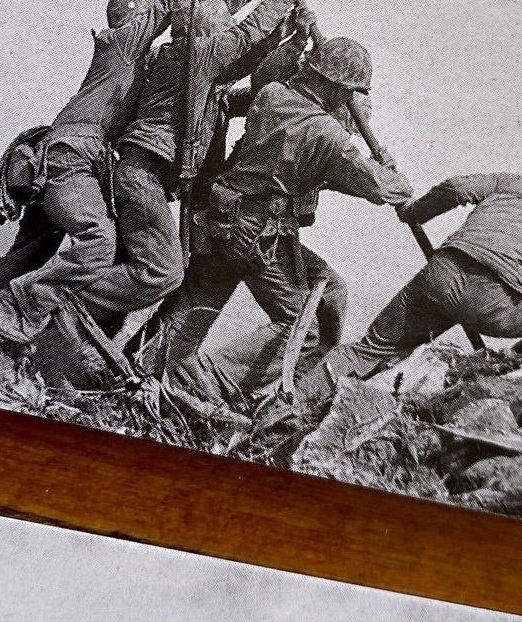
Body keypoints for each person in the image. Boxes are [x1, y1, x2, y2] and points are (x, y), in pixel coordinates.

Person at [0, 0, 305, 340]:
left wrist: (290, 39)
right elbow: (246, 38)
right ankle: (38, 303)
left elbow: (253, 81)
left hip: (132, 175)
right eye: (222, 28)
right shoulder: (191, 56)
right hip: (134, 174)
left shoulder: (200, 81)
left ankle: (41, 317)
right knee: (160, 271)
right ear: (210, 32)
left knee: (137, 266)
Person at [0, 0, 247, 331]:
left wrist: (216, 18)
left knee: (28, 254)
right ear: (139, 17)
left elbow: (187, 54)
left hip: (66, 159)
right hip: (70, 161)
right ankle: (15, 310)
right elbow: (174, 0)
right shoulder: (123, 42)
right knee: (98, 241)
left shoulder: (131, 59)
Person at [149, 33, 412, 399]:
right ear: (337, 89)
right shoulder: (326, 133)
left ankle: (145, 369)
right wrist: (391, 172)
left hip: (222, 218)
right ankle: (208, 384)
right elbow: (381, 188)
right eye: (349, 93)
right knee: (299, 325)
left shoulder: (273, 95)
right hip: (259, 232)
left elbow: (311, 167)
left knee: (198, 302)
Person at [306, 173, 522, 395]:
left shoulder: (514, 185)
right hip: (491, 302)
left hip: (441, 275)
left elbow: (457, 189)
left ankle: (287, 405)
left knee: (367, 351)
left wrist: (415, 212)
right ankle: (514, 372)